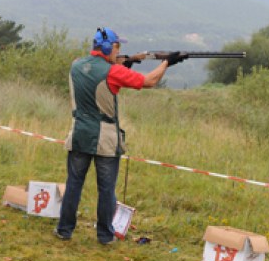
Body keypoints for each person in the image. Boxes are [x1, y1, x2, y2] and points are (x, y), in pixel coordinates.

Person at [54, 27, 185, 245]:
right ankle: (105, 235)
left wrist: (128, 60)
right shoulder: (113, 72)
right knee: (106, 190)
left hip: (78, 134)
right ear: (108, 47)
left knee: (74, 184)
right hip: (105, 139)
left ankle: (64, 229)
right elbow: (150, 81)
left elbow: (97, 71)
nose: (119, 50)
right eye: (117, 47)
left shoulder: (76, 65)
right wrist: (166, 63)